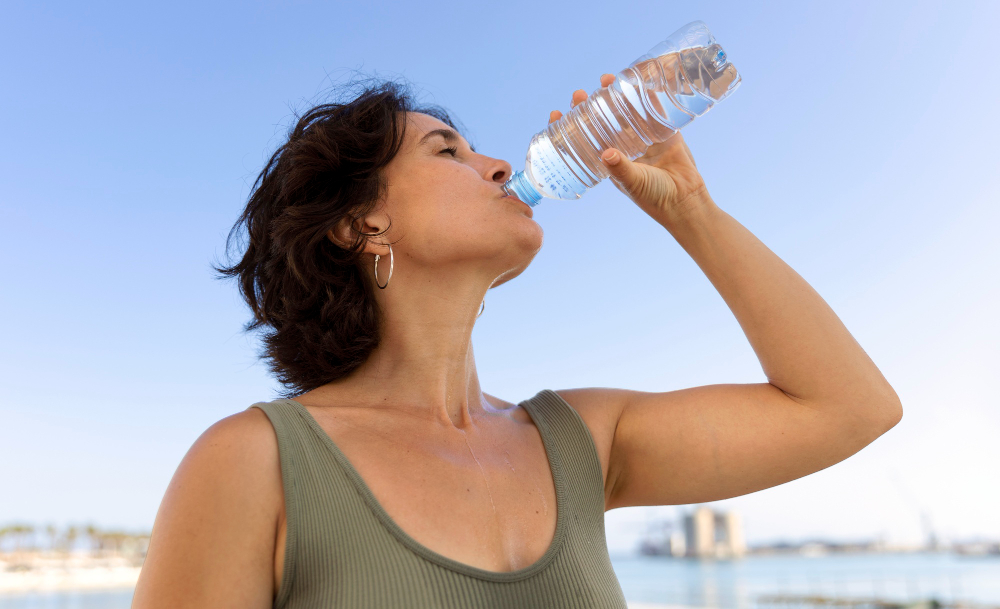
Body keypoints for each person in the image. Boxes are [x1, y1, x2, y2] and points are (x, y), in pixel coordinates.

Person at [132, 74, 902, 608]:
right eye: (448, 152)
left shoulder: (581, 440)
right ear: (362, 223)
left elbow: (850, 406)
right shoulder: (253, 462)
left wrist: (692, 209)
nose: (499, 164)